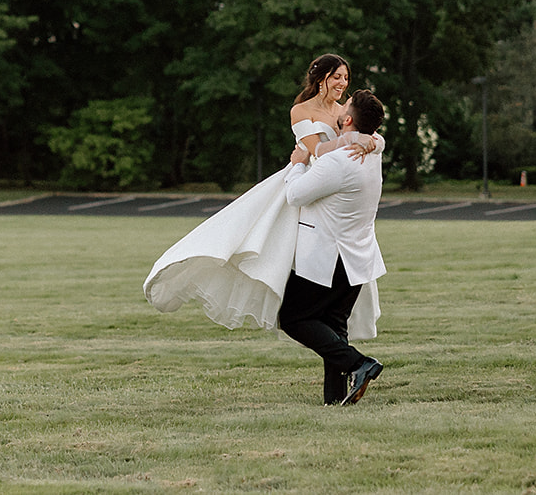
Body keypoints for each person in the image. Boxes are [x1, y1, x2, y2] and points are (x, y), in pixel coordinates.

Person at [143, 53, 380, 333]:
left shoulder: (344, 110)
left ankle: (336, 345)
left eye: (346, 78)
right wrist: (355, 139)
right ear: (320, 79)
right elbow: (316, 151)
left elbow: (372, 132)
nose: (343, 83)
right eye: (337, 77)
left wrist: (373, 142)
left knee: (333, 283)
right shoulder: (301, 111)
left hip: (333, 190)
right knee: (265, 242)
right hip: (303, 177)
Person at [280, 88, 388, 405]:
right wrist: (370, 138)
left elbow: (296, 195)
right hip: (358, 257)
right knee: (333, 324)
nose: (340, 108)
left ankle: (360, 364)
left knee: (293, 318)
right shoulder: (372, 152)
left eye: (346, 106)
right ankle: (334, 398)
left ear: (349, 119)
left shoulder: (337, 162)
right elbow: (377, 140)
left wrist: (299, 163)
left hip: (329, 257)